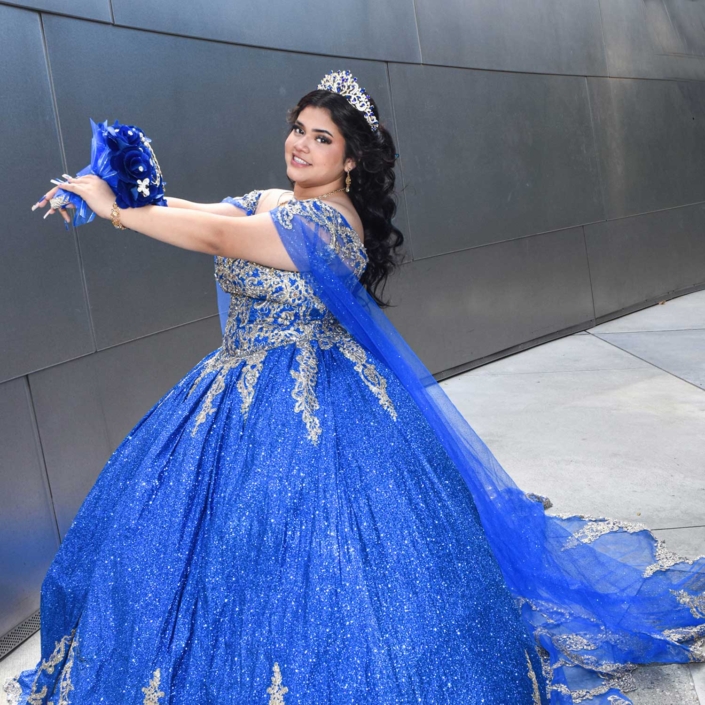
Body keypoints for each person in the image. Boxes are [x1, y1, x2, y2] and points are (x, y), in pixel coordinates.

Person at [5, 70, 703, 705]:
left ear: (352, 158)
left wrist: (119, 211)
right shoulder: (275, 200)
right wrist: (105, 193)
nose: (301, 145)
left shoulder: (327, 224)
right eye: (298, 129)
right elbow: (204, 212)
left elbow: (219, 238)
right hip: (233, 390)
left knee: (332, 564)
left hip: (317, 405)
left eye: (321, 137)